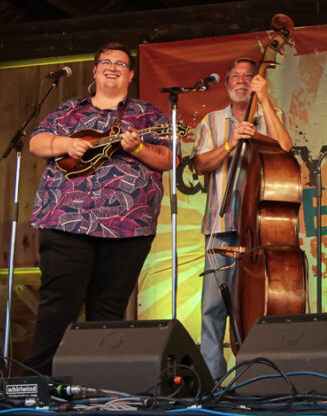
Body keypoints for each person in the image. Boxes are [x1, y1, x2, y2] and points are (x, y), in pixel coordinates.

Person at [26, 43, 177, 375]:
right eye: (106, 62)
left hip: (128, 225)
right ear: (94, 70)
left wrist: (137, 147)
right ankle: (39, 383)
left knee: (108, 309)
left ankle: (97, 381)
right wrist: (66, 144)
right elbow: (36, 142)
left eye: (121, 64)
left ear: (131, 74)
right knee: (58, 306)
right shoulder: (67, 112)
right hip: (66, 221)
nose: (113, 67)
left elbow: (170, 158)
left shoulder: (149, 114)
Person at [192, 57, 293, 380]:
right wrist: (230, 142)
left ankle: (255, 380)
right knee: (212, 310)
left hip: (262, 231)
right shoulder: (211, 121)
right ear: (226, 85)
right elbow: (200, 164)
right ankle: (213, 382)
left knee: (257, 309)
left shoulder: (272, 116)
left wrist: (264, 101)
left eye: (248, 76)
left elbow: (286, 148)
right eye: (234, 77)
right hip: (221, 229)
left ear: (257, 81)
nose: (241, 81)